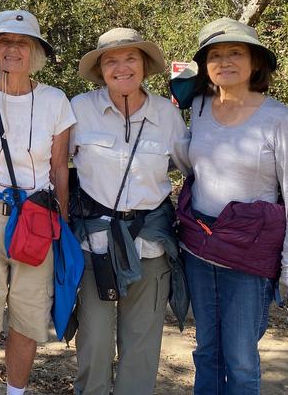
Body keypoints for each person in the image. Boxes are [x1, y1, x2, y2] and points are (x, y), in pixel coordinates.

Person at [175, 17, 288, 395]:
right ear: (205, 66)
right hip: (198, 247)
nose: (225, 61)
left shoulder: (280, 119)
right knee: (207, 351)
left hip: (248, 254)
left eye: (235, 52)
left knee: (241, 358)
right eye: (215, 55)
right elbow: (193, 164)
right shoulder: (200, 108)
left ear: (255, 61)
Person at [0, 10, 76, 395]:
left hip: (37, 220)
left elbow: (60, 170)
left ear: (35, 51)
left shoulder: (56, 101)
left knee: (27, 316)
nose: (13, 49)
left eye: (22, 42)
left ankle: (15, 393)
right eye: (5, 41)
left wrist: (65, 224)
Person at [69, 28, 191, 395]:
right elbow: (55, 167)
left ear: (144, 65)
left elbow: (193, 171)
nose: (122, 68)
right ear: (101, 69)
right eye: (111, 61)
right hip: (96, 247)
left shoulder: (167, 116)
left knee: (141, 350)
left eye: (130, 59)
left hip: (151, 246)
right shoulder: (79, 110)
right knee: (94, 346)